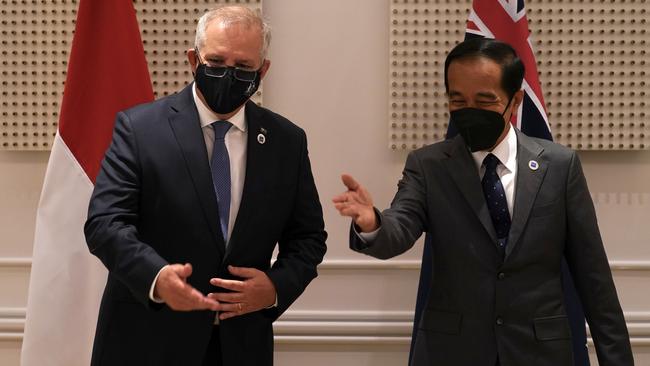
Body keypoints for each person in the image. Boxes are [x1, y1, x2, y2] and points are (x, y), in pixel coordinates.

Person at [333, 38, 633, 366]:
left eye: (484, 100)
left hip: (539, 354)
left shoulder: (560, 167)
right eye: (458, 100)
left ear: (515, 100)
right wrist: (373, 223)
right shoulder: (428, 165)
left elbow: (595, 281)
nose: (469, 111)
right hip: (451, 352)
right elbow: (400, 225)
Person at [84, 6, 327, 366]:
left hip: (240, 345)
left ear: (263, 71)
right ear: (193, 61)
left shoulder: (286, 141)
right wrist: (156, 277)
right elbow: (105, 224)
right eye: (216, 61)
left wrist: (276, 287)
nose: (228, 74)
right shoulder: (140, 129)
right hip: (146, 341)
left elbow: (308, 238)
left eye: (243, 67)